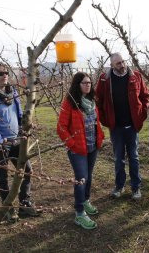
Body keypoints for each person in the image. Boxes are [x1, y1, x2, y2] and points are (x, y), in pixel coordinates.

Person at [0, 60, 40, 223]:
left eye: (6, 73)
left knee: (26, 171)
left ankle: (25, 205)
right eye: (0, 73)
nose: (5, 76)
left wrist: (23, 130)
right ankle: (8, 209)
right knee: (3, 177)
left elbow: (19, 115)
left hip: (17, 140)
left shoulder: (13, 92)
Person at [95, 52, 149, 200]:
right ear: (112, 65)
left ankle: (136, 188)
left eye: (123, 62)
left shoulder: (136, 76)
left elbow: (145, 97)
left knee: (134, 157)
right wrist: (106, 120)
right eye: (118, 63)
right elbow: (98, 101)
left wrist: (141, 115)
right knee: (119, 158)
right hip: (116, 127)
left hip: (132, 125)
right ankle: (119, 186)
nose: (122, 65)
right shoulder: (105, 79)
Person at [57, 72, 105, 230]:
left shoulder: (92, 101)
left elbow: (96, 122)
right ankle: (79, 213)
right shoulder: (70, 103)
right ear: (77, 84)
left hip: (92, 147)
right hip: (78, 149)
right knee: (81, 179)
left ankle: (85, 200)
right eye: (84, 83)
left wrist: (100, 137)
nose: (88, 85)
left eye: (89, 82)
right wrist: (72, 143)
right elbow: (61, 127)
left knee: (88, 176)